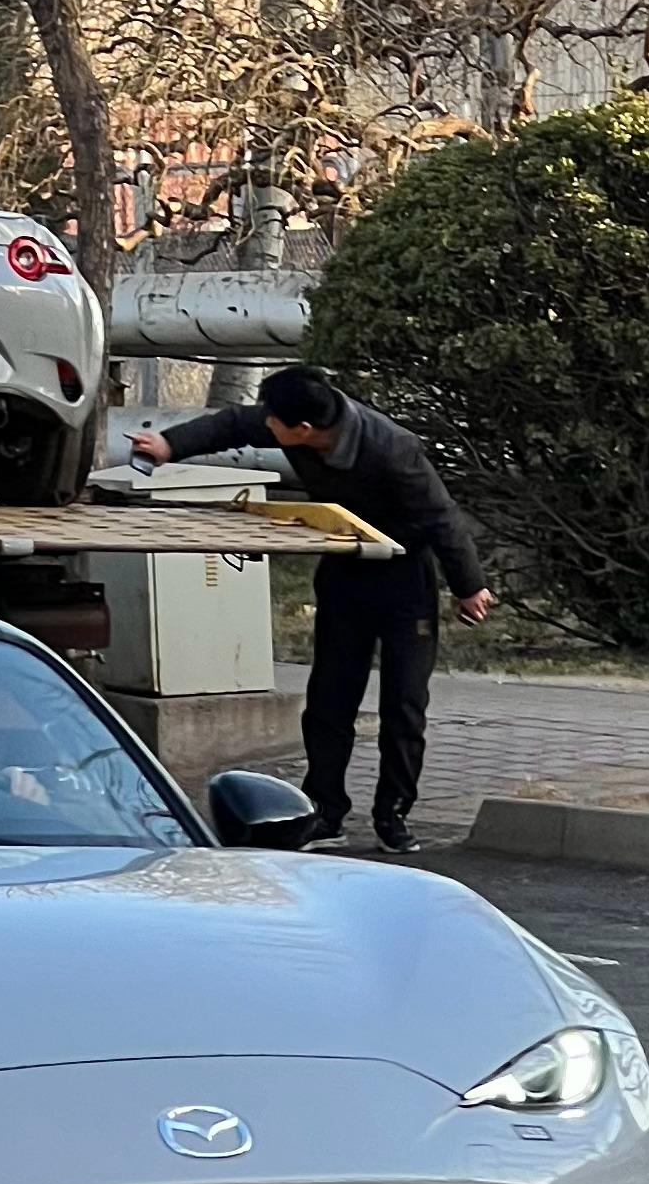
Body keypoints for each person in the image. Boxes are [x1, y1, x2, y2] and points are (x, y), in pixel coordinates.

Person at [131, 364, 494, 853]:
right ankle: (324, 811)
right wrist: (169, 446)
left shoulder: (392, 449)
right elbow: (232, 423)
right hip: (345, 572)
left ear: (302, 431)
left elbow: (441, 517)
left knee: (403, 706)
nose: (268, 427)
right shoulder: (292, 420)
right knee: (328, 702)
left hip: (404, 578)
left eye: (275, 424)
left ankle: (393, 814)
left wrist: (468, 586)